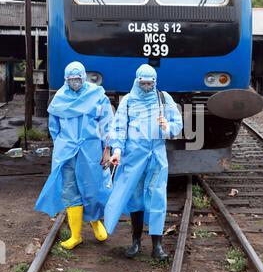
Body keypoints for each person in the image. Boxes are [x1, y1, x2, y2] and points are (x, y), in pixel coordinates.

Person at [104, 64, 183, 261]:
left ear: (155, 82)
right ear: (137, 81)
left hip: (156, 157)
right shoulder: (128, 101)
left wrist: (167, 127)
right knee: (135, 199)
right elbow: (119, 128)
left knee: (157, 197)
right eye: (144, 83)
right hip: (133, 158)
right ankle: (136, 242)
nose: (147, 86)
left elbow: (177, 125)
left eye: (150, 83)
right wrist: (118, 151)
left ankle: (157, 246)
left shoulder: (164, 99)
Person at [35, 62, 114, 250]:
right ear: (66, 79)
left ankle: (96, 223)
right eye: (71, 80)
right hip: (67, 151)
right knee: (70, 189)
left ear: (84, 77)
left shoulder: (97, 96)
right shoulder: (59, 99)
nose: (75, 83)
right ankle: (76, 235)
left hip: (91, 149)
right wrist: (62, 145)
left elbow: (107, 124)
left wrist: (107, 148)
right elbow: (54, 129)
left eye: (78, 79)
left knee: (93, 186)